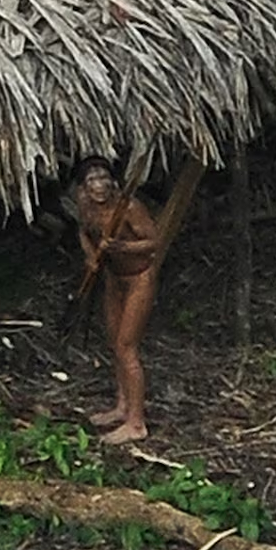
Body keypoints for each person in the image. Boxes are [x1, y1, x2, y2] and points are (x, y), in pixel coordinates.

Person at [73, 157, 161, 445]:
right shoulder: (85, 205)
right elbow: (84, 231)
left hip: (139, 277)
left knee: (126, 346)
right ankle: (122, 405)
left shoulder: (129, 207)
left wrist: (123, 246)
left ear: (112, 181)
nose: (98, 186)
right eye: (92, 181)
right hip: (114, 277)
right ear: (84, 187)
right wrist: (90, 256)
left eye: (103, 178)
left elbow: (153, 241)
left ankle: (136, 423)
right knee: (114, 341)